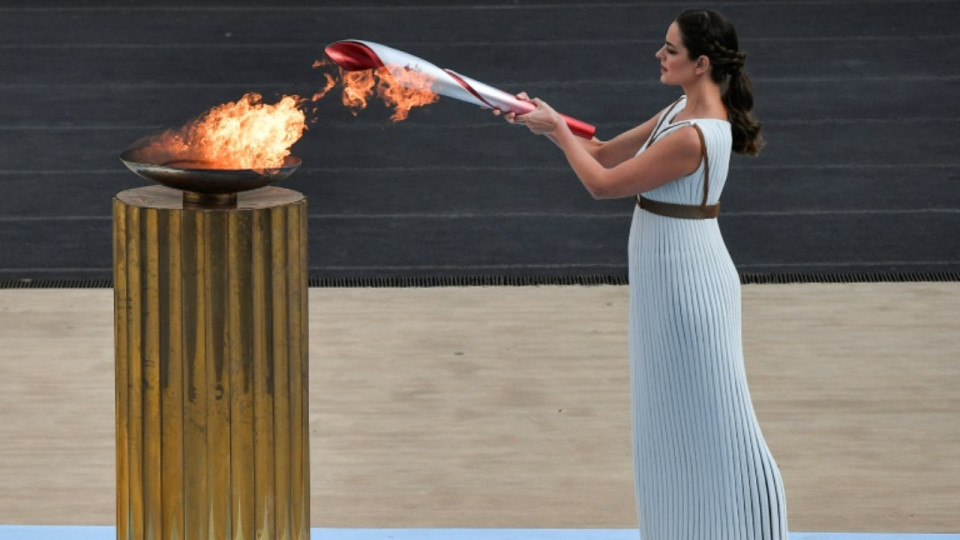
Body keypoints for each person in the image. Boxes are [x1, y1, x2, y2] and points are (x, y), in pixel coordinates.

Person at [498, 9, 788, 539]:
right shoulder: (678, 110)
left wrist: (558, 129)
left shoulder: (695, 135)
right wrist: (544, 122)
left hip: (690, 285)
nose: (659, 54)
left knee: (722, 416)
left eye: (671, 49)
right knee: (666, 417)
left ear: (701, 64)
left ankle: (759, 527)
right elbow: (605, 153)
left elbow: (602, 185)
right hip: (663, 280)